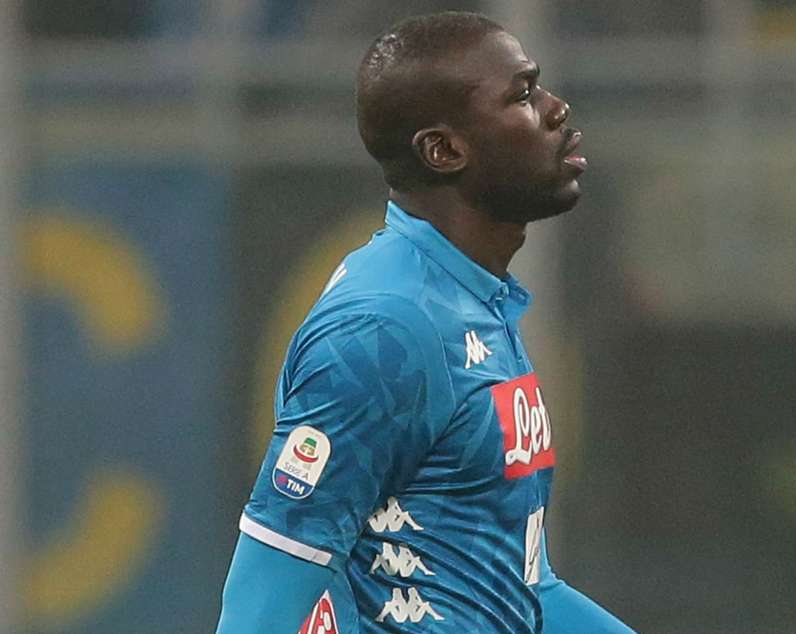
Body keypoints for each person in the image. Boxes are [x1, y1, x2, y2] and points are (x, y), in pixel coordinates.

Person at [216, 11, 635, 634]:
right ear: (444, 151)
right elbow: (264, 600)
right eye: (522, 95)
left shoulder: (472, 302)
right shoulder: (384, 329)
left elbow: (521, 591)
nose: (555, 108)